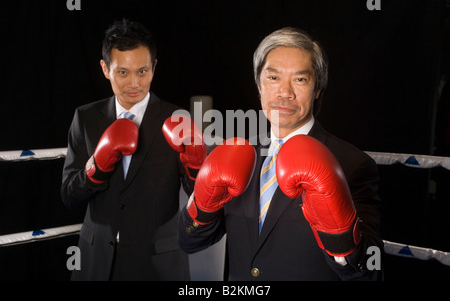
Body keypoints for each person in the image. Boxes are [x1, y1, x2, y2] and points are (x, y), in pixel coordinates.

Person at [178, 27, 383, 281]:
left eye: (300, 79)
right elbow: (190, 241)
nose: (284, 93)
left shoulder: (352, 164)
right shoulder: (239, 155)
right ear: (259, 84)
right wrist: (202, 203)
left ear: (318, 88)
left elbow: (371, 273)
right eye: (273, 78)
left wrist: (340, 236)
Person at [60, 19, 205, 280]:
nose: (134, 83)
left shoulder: (178, 119)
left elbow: (199, 197)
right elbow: (69, 195)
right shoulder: (86, 118)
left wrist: (197, 168)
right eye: (123, 72)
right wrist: (96, 169)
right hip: (96, 261)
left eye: (142, 71)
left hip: (157, 262)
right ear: (105, 68)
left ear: (154, 68)